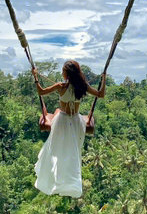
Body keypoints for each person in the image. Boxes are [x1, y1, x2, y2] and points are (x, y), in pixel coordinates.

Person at [32, 60, 106, 198]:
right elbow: (100, 94)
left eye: (63, 70)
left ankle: (57, 178)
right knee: (72, 153)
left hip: (63, 121)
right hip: (77, 122)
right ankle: (68, 179)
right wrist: (104, 78)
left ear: (67, 73)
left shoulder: (61, 86)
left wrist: (36, 77)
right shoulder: (82, 87)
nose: (62, 72)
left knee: (55, 152)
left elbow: (41, 92)